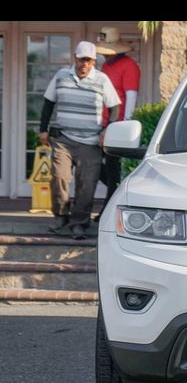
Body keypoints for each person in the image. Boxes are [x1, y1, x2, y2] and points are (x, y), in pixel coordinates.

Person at [39, 41, 120, 240]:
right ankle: (61, 216)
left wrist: (106, 131)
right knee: (59, 177)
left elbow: (114, 107)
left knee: (87, 184)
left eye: (88, 60)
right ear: (74, 57)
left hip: (90, 142)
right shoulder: (61, 76)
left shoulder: (102, 79)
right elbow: (48, 103)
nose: (84, 64)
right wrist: (43, 129)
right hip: (63, 139)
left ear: (94, 61)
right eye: (81, 59)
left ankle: (79, 223)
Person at [95, 27, 141, 221]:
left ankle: (108, 210)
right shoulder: (106, 67)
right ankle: (111, 202)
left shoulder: (129, 66)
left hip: (118, 125)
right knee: (97, 167)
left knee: (113, 170)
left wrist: (126, 126)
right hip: (103, 124)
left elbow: (131, 96)